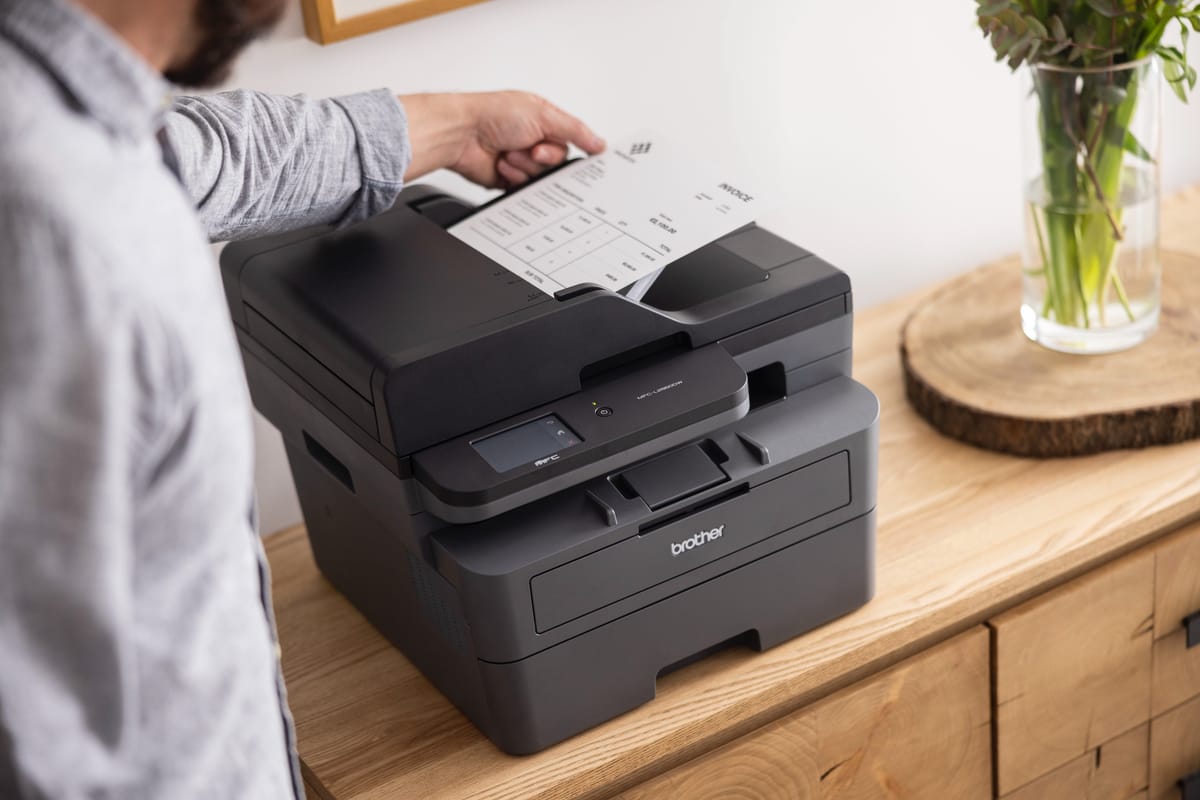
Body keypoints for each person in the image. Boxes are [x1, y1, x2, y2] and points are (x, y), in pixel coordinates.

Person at [0, 0, 605, 796]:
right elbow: (41, 724)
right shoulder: (48, 231)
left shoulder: (77, 125)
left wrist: (457, 127)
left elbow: (202, 154)